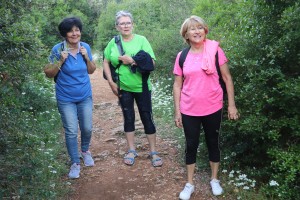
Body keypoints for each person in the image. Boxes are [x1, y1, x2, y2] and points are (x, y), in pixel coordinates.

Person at [173, 16, 239, 199]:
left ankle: (214, 179)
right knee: (191, 145)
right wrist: (177, 111)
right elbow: (177, 85)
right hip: (189, 109)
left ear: (205, 30)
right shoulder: (182, 56)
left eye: (200, 27)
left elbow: (227, 78)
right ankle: (189, 184)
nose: (197, 31)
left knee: (213, 143)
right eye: (192, 29)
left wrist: (231, 105)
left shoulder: (215, 51)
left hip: (213, 106)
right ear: (186, 34)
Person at [103, 10, 163, 167]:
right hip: (123, 87)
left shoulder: (142, 40)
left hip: (142, 86)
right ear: (117, 27)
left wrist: (133, 61)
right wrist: (111, 82)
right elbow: (105, 61)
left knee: (146, 117)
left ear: (132, 24)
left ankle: (153, 151)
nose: (125, 26)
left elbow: (152, 63)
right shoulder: (113, 42)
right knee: (128, 117)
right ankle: (131, 150)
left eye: (128, 23)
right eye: (122, 23)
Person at [44, 17, 97, 179]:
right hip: (65, 97)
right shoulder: (57, 49)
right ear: (65, 34)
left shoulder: (85, 47)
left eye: (77, 30)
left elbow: (92, 70)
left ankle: (85, 151)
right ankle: (75, 162)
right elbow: (48, 73)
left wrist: (86, 57)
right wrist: (60, 60)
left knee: (87, 127)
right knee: (72, 130)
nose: (75, 34)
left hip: (84, 95)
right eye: (71, 31)